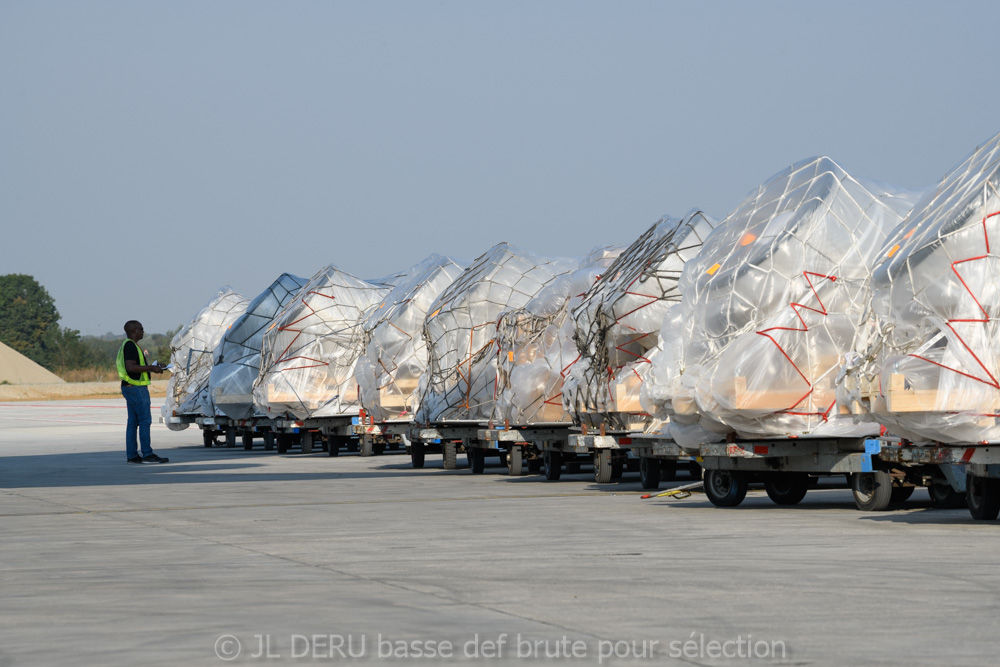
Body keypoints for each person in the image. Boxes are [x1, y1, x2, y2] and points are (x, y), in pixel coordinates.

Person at [117, 320, 169, 464]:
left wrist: (154, 366)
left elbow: (137, 366)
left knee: (133, 422)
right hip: (136, 388)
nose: (143, 331)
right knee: (145, 420)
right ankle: (147, 454)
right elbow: (131, 367)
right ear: (134, 330)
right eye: (141, 329)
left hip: (130, 387)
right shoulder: (130, 346)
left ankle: (132, 455)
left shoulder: (129, 345)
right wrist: (151, 369)